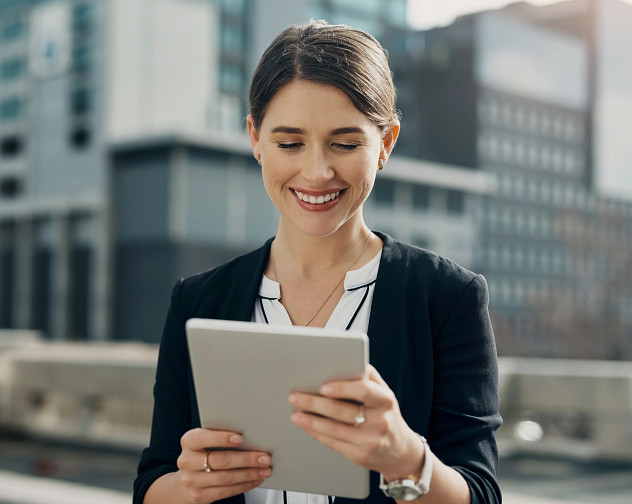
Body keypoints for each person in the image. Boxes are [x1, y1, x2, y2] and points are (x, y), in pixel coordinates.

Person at [133, 20, 501, 504]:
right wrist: (190, 486)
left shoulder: (447, 298)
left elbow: (481, 495)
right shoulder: (198, 300)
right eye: (289, 143)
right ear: (255, 139)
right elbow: (152, 486)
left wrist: (406, 458)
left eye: (345, 143)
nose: (317, 171)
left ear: (386, 143)